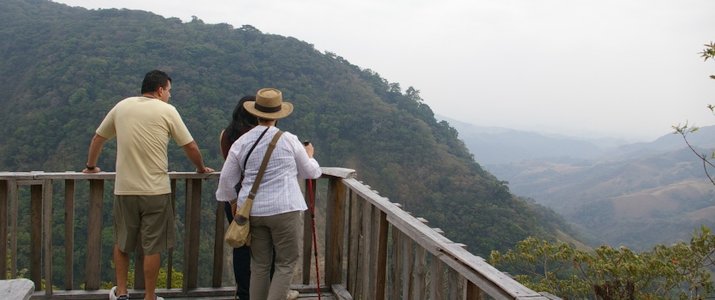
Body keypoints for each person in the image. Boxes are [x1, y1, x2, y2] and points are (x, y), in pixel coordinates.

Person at [82, 70, 214, 300]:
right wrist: (201, 168)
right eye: (169, 91)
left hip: (125, 189)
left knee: (122, 243)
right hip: (156, 190)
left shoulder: (122, 106)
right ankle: (150, 296)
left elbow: (98, 138)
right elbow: (190, 146)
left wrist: (91, 166)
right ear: (160, 90)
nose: (170, 96)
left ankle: (122, 293)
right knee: (153, 247)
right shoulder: (167, 110)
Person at [216, 88, 321, 300]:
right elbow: (310, 172)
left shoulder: (241, 142)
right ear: (278, 114)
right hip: (285, 209)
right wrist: (310, 155)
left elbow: (226, 182)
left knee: (259, 265)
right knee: (285, 263)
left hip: (253, 211)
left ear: (256, 113)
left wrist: (235, 203)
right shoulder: (289, 139)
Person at [219, 95, 257, 300]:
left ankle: (243, 293)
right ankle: (265, 291)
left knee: (240, 246)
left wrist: (233, 201)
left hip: (233, 198)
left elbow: (227, 166)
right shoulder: (256, 138)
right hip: (254, 198)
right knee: (264, 247)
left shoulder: (226, 135)